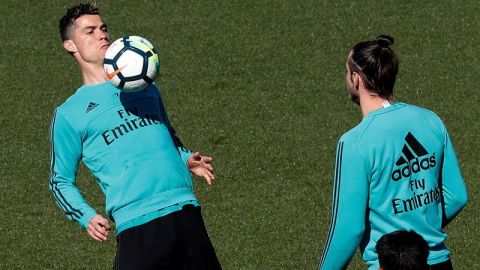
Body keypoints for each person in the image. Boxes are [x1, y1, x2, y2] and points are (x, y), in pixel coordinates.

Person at [50, 3, 221, 269]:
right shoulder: (69, 113)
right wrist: (86, 216)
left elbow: (167, 135)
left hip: (184, 208)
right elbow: (60, 180)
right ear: (70, 45)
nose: (102, 35)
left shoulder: (145, 87)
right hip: (137, 223)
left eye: (104, 28)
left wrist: (187, 159)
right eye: (90, 31)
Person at [318, 35, 468, 270]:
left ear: (356, 79)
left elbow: (348, 229)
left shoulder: (355, 143)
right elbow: (457, 195)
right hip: (439, 263)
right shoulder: (430, 120)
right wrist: (421, 229)